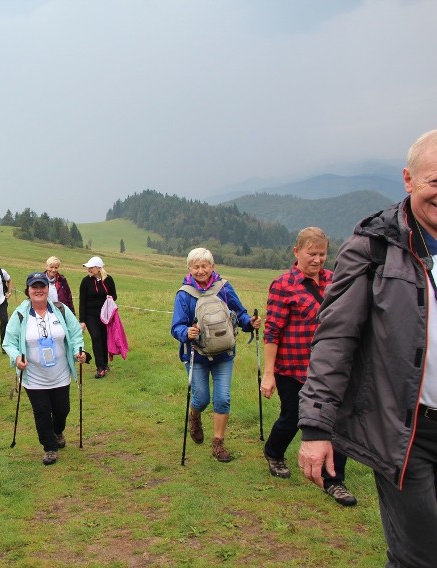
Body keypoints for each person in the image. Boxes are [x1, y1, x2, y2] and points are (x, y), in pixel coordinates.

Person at [298, 130, 437, 567]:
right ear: (408, 180)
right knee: (419, 553)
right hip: (405, 431)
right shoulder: (375, 246)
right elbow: (336, 338)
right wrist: (317, 429)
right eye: (436, 181)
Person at [260, 228, 356, 506]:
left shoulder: (335, 281)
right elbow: (272, 331)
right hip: (292, 367)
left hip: (329, 369)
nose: (317, 259)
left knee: (335, 423)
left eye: (322, 254)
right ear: (296, 252)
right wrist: (269, 374)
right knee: (292, 417)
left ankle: (334, 481)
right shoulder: (283, 285)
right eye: (311, 253)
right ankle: (274, 452)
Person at [171, 248, 260, 462]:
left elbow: (240, 313)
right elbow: (176, 327)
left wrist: (249, 323)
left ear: (212, 266)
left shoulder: (225, 288)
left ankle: (218, 444)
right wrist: (186, 332)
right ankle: (195, 416)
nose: (200, 271)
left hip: (224, 354)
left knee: (223, 399)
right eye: (196, 266)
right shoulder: (184, 294)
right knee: (201, 399)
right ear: (189, 269)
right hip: (197, 355)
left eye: (204, 266)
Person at [3, 272, 86, 465]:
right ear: (28, 290)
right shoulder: (21, 314)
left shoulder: (61, 310)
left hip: (60, 374)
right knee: (41, 412)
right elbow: (9, 342)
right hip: (34, 377)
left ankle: (58, 431)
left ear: (48, 290)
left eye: (42, 286)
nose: (39, 290)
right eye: (34, 287)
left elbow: (75, 335)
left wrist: (78, 352)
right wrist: (16, 357)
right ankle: (49, 447)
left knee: (62, 410)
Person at [78, 256, 116, 378]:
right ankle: (100, 367)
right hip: (90, 315)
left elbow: (114, 295)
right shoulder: (85, 282)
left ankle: (105, 363)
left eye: (91, 267)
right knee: (96, 337)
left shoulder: (109, 280)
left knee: (104, 338)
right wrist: (82, 320)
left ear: (99, 268)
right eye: (88, 267)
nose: (89, 269)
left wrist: (109, 299)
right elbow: (82, 301)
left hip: (105, 315)